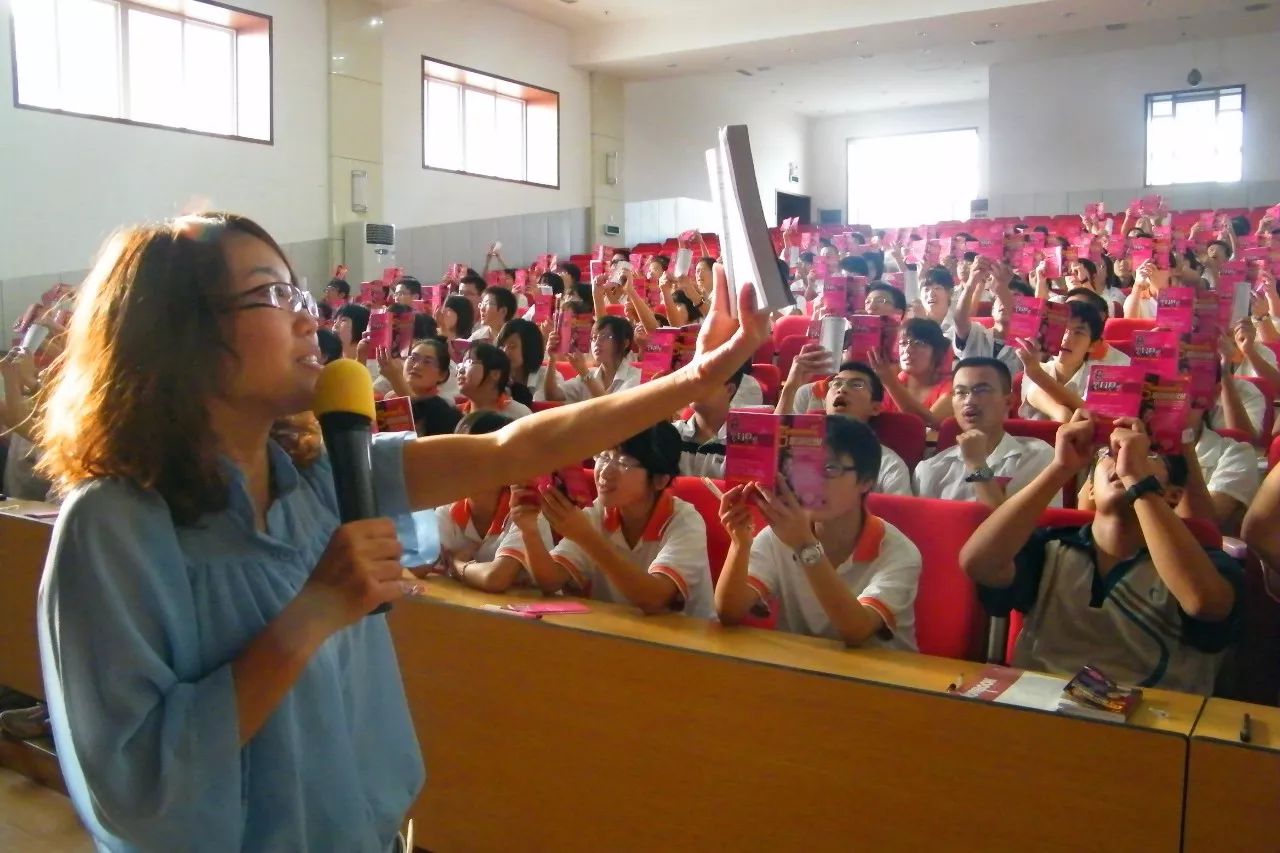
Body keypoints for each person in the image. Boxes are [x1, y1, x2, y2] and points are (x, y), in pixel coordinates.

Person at [33, 212, 767, 851]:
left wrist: (697, 376)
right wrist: (311, 615)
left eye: (300, 291)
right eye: (271, 294)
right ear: (180, 330)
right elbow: (133, 791)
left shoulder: (324, 473)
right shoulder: (116, 525)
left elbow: (516, 450)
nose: (307, 315)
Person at [960, 413, 1241, 695]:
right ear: (1091, 488)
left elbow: (1205, 604)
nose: (1122, 457)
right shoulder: (1051, 548)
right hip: (1040, 705)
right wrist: (1060, 467)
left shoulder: (1204, 561)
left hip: (1153, 720)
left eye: (1150, 454)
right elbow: (978, 562)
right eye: (1108, 454)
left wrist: (1137, 480)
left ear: (1173, 495)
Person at [715, 417, 921, 649]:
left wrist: (805, 546)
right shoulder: (780, 535)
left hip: (881, 678)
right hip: (801, 671)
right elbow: (729, 613)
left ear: (866, 481)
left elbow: (856, 630)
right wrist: (740, 544)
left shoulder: (898, 552)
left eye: (830, 468)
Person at [522, 423, 715, 617]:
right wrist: (528, 528)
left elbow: (655, 599)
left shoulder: (685, 521)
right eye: (604, 457)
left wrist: (586, 537)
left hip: (685, 641)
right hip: (618, 634)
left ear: (660, 480)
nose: (605, 472)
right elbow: (551, 580)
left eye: (623, 463)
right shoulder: (599, 511)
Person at [434, 412, 555, 592]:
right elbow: (418, 566)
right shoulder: (448, 508)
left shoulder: (526, 509)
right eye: (457, 454)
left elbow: (495, 579)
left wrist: (457, 564)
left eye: (473, 456)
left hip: (530, 617)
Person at [913, 358, 1056, 508]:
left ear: (1008, 402)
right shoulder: (931, 469)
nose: (969, 401)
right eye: (961, 392)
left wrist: (978, 466)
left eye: (982, 390)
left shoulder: (1039, 457)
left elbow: (1020, 527)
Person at [777, 353, 912, 496]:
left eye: (857, 385)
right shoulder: (799, 449)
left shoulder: (888, 465)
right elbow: (770, 450)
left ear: (875, 408)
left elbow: (900, 516)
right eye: (836, 383)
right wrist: (790, 387)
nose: (842, 389)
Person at [1017, 300, 1129, 422]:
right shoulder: (1034, 367)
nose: (1066, 338)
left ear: (1093, 345)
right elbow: (1035, 395)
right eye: (1062, 329)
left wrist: (1037, 374)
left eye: (1078, 332)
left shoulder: (1102, 378)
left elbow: (1097, 416)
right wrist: (1063, 414)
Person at [868, 318, 953, 430]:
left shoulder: (951, 388)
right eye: (903, 343)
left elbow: (927, 425)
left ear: (938, 352)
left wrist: (891, 383)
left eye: (919, 343)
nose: (908, 349)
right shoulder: (894, 381)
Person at [952, 259, 1032, 377]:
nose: (1003, 301)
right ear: (992, 308)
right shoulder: (976, 332)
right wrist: (971, 282)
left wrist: (1001, 288)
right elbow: (959, 319)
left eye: (1016, 297)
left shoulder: (1028, 343)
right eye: (999, 297)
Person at [673, 362, 750, 478]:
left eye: (704, 380)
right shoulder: (672, 433)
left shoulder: (744, 443)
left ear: (729, 389)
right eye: (693, 379)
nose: (694, 386)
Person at [543, 315, 641, 403]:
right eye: (594, 338)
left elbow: (613, 408)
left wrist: (585, 374)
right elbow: (552, 395)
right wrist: (552, 359)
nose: (597, 342)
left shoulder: (635, 376)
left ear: (625, 343)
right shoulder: (590, 374)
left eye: (605, 336)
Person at [375, 337, 462, 437]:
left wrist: (396, 379)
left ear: (442, 375)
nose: (417, 366)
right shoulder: (391, 397)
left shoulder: (445, 403)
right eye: (413, 358)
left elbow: (420, 413)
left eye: (427, 362)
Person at [457, 342, 533, 420]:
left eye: (468, 363)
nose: (461, 370)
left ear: (495, 374)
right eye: (460, 365)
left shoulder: (520, 415)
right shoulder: (455, 416)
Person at [496, 318, 546, 406]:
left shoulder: (547, 379)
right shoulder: (494, 376)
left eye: (512, 346)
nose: (505, 351)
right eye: (502, 346)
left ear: (530, 349)